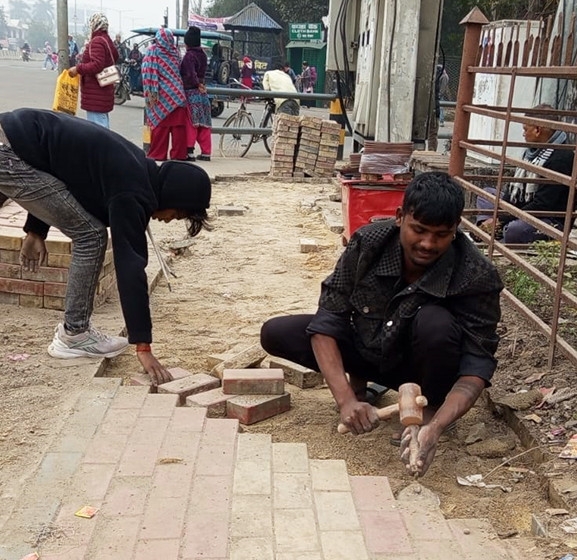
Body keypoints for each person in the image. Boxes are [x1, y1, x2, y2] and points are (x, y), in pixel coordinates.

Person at [260, 171, 503, 477]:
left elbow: (475, 367)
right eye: (419, 230)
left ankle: (426, 414)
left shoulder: (475, 275)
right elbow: (328, 321)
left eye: (441, 234)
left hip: (423, 371)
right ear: (400, 217)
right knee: (276, 333)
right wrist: (346, 400)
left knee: (435, 323)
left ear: (455, 230)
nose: (428, 243)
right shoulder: (369, 245)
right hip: (370, 351)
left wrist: (437, 426)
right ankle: (361, 390)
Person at [0, 108, 211, 385]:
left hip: (12, 141)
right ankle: (74, 335)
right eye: (179, 215)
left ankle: (76, 332)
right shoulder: (132, 192)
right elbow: (131, 266)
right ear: (176, 197)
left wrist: (36, 231)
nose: (169, 220)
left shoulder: (136, 168)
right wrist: (143, 346)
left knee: (89, 229)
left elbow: (61, 177)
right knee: (92, 236)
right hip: (10, 153)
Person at [476, 104, 575, 244]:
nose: (523, 134)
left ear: (537, 130)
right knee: (486, 194)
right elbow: (513, 191)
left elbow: (542, 205)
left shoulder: (561, 158)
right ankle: (493, 229)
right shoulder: (532, 152)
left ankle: (496, 230)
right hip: (522, 208)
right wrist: (503, 214)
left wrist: (501, 218)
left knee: (515, 230)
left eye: (525, 129)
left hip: (546, 219)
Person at [142, 27, 188, 162]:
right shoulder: (175, 51)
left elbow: (146, 72)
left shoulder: (153, 51)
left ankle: (158, 154)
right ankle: (178, 156)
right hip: (178, 95)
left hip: (161, 95)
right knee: (178, 129)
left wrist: (150, 92)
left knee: (160, 128)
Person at [68, 13, 118, 129]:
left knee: (98, 129)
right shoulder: (107, 40)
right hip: (104, 89)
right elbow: (114, 57)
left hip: (96, 93)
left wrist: (78, 69)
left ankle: (104, 148)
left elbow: (97, 65)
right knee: (102, 125)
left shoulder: (97, 41)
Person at [181, 26, 212, 162]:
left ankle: (189, 152)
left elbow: (190, 74)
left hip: (191, 92)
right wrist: (201, 84)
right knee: (204, 123)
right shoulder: (203, 55)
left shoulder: (189, 56)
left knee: (191, 123)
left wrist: (196, 84)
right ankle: (206, 152)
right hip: (203, 93)